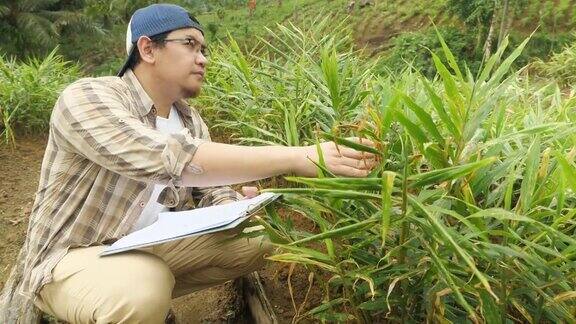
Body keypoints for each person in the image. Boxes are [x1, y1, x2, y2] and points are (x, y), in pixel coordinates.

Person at [0, 4, 376, 323]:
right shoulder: (88, 97)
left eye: (204, 48)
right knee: (140, 287)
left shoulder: (191, 120)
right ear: (147, 49)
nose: (203, 58)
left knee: (262, 237)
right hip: (67, 260)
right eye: (191, 44)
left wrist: (237, 206)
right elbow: (166, 158)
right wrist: (300, 156)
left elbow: (212, 190)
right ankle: (114, 301)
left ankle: (142, 296)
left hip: (142, 248)